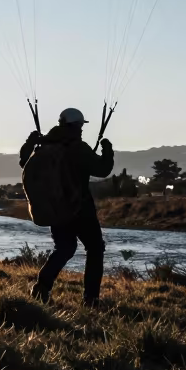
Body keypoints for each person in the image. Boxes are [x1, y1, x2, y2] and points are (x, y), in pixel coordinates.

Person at [19, 107, 114, 307]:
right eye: (80, 126)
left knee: (64, 248)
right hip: (80, 210)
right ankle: (91, 299)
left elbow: (24, 163)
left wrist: (30, 142)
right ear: (76, 125)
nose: (81, 130)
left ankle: (42, 287)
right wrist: (107, 149)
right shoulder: (78, 148)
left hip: (56, 209)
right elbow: (102, 169)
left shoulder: (44, 145)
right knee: (95, 249)